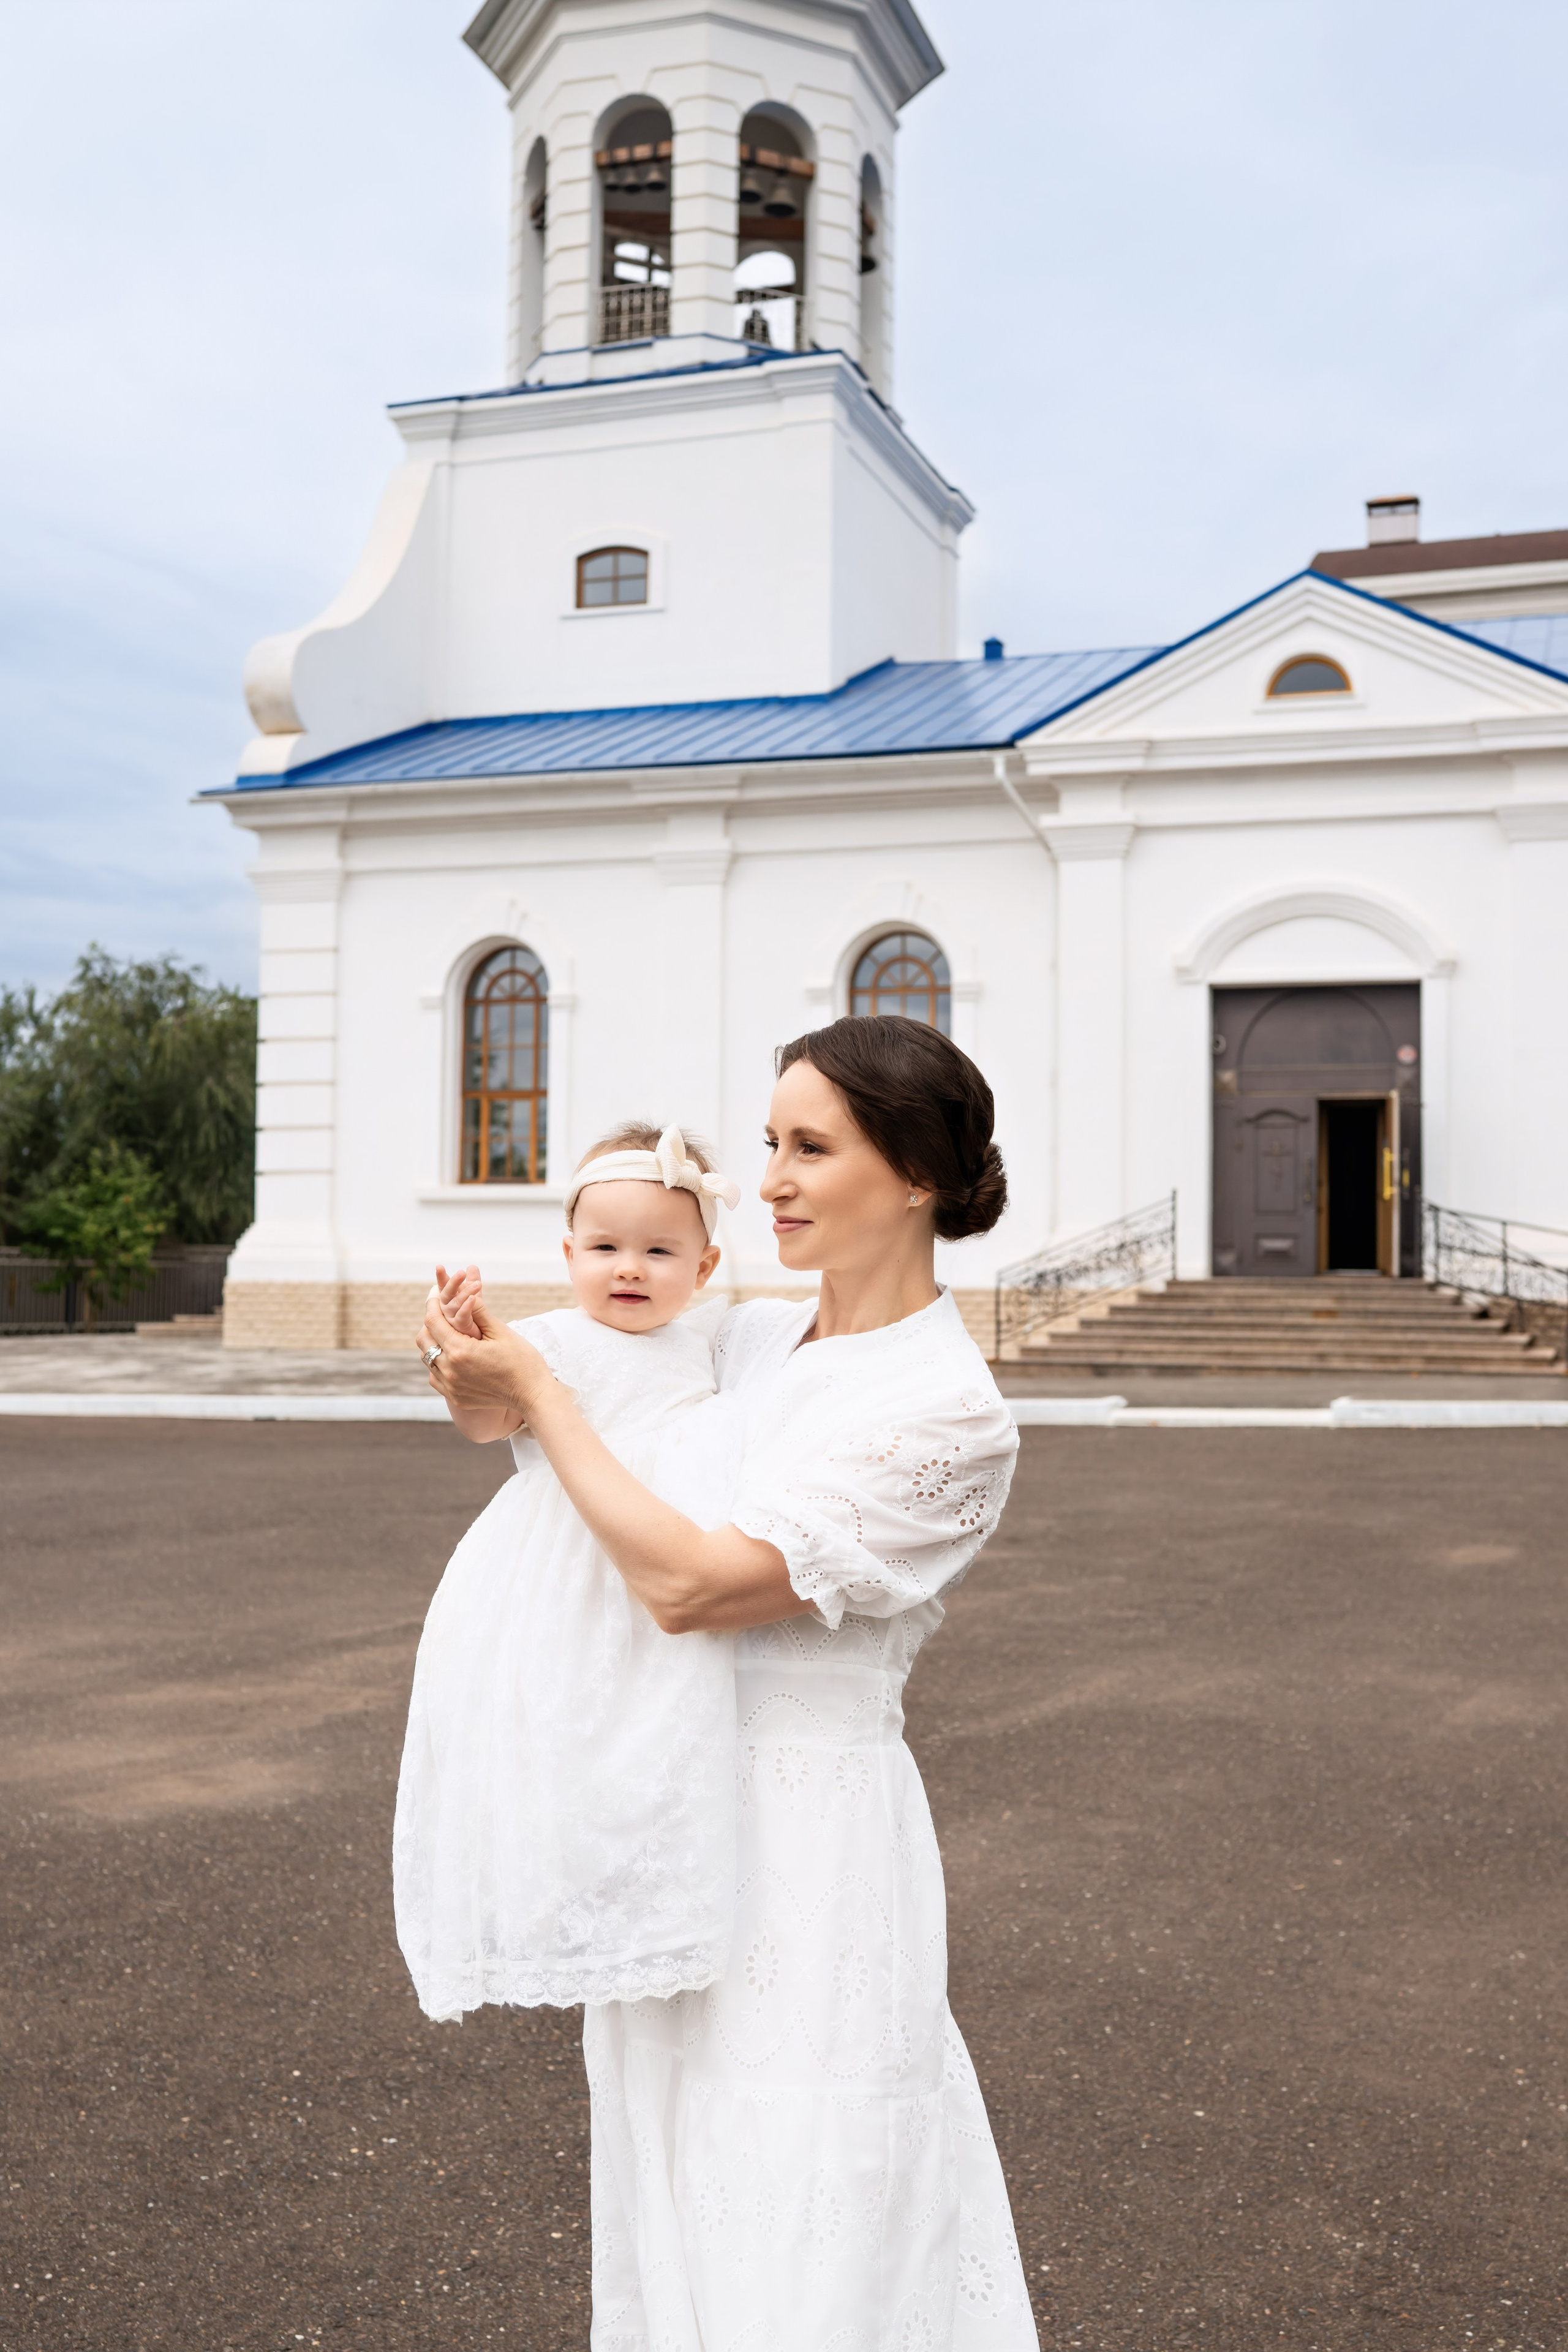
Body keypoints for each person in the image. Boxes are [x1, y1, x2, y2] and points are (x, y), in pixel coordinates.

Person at [418, 1016, 1039, 2351]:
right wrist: (477, 1365)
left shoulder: (946, 1414)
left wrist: (540, 1390)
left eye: (809, 1148)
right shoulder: (749, 1343)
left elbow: (691, 1587)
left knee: (812, 2175)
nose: (766, 1181)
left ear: (916, 1171)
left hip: (814, 1852)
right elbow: (534, 1403)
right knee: (677, 2169)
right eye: (768, 1145)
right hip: (671, 1807)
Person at [394, 1123, 745, 2024]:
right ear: (568, 1254)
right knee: (565, 1727)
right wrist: (468, 1350)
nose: (629, 1268)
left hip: (658, 1554)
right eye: (605, 1248)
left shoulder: (711, 1344)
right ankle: (565, 1896)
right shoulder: (550, 1339)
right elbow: (484, 1420)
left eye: (660, 1250)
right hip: (562, 1569)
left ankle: (657, 1901)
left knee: (660, 1736)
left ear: (704, 1270)